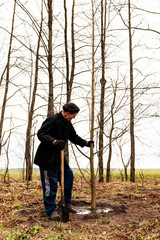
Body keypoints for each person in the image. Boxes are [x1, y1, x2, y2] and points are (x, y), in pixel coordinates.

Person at [34, 102, 94, 221]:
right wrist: (54, 141)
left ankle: (67, 203)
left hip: (60, 158)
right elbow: (41, 134)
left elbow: (73, 136)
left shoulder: (68, 123)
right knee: (50, 185)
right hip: (47, 159)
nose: (74, 117)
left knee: (68, 176)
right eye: (73, 115)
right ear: (66, 113)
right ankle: (51, 210)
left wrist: (85, 143)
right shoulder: (52, 120)